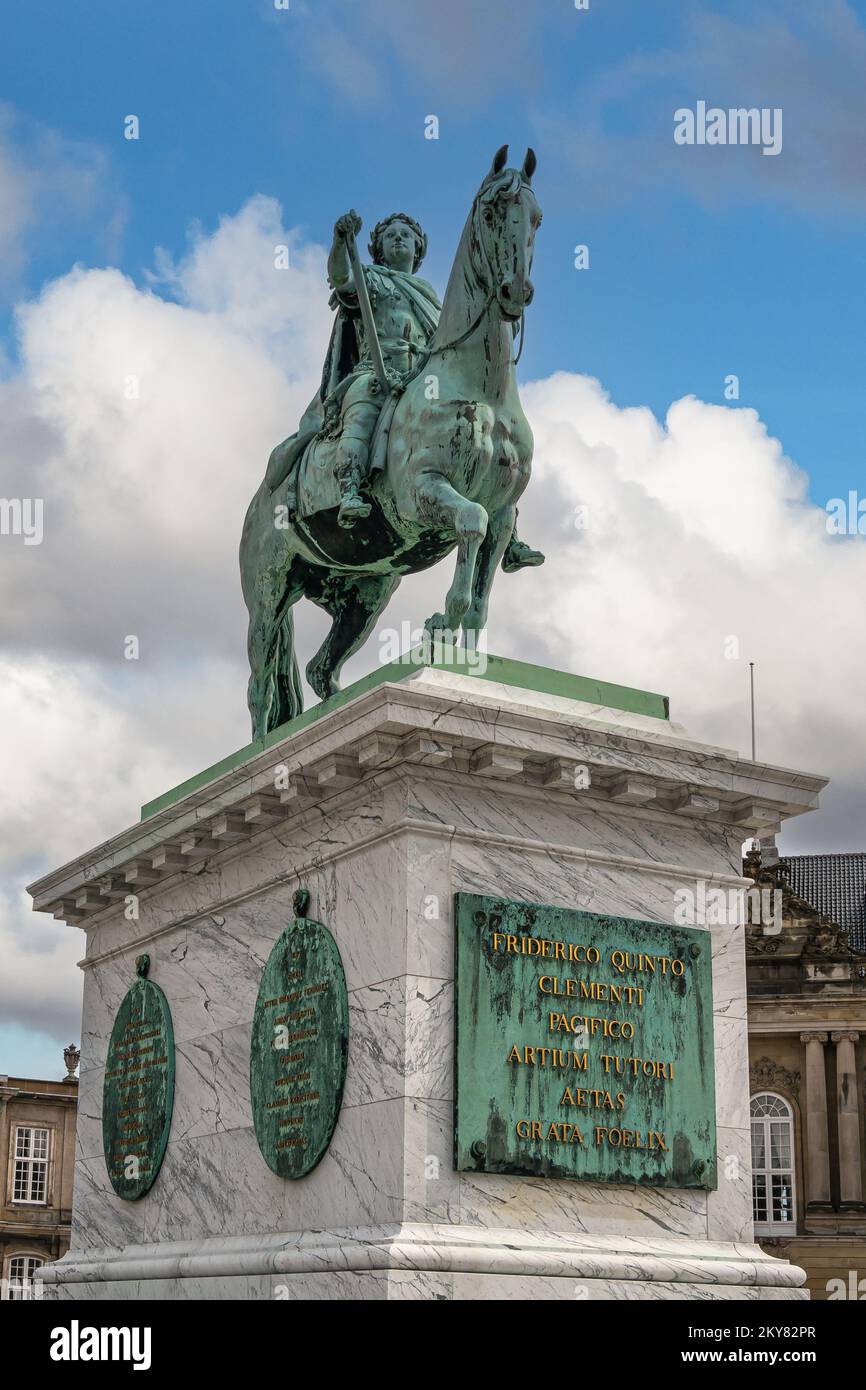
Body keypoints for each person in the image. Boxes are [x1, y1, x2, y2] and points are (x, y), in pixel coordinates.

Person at [266, 208, 544, 569]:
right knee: (362, 409)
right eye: (390, 235)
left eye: (407, 235)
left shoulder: (430, 295)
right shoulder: (370, 278)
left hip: (422, 374)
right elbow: (340, 277)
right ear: (379, 249)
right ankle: (351, 487)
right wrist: (339, 241)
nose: (399, 239)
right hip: (376, 372)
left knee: (483, 434)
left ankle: (508, 532)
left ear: (418, 248)